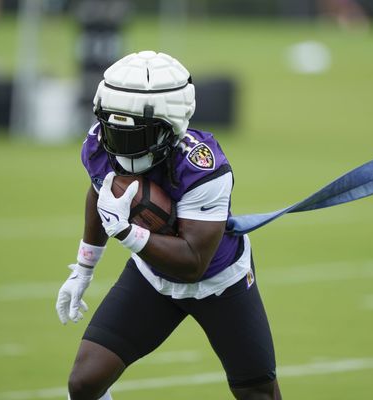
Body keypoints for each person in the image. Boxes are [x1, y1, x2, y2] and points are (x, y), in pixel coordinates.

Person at [55, 51, 281, 400]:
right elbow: (100, 189)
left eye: (133, 133)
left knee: (257, 394)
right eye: (113, 129)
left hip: (220, 284)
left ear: (170, 124)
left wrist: (128, 233)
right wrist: (85, 266)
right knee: (84, 382)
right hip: (152, 277)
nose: (118, 144)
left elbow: (193, 263)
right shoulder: (101, 143)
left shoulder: (202, 166)